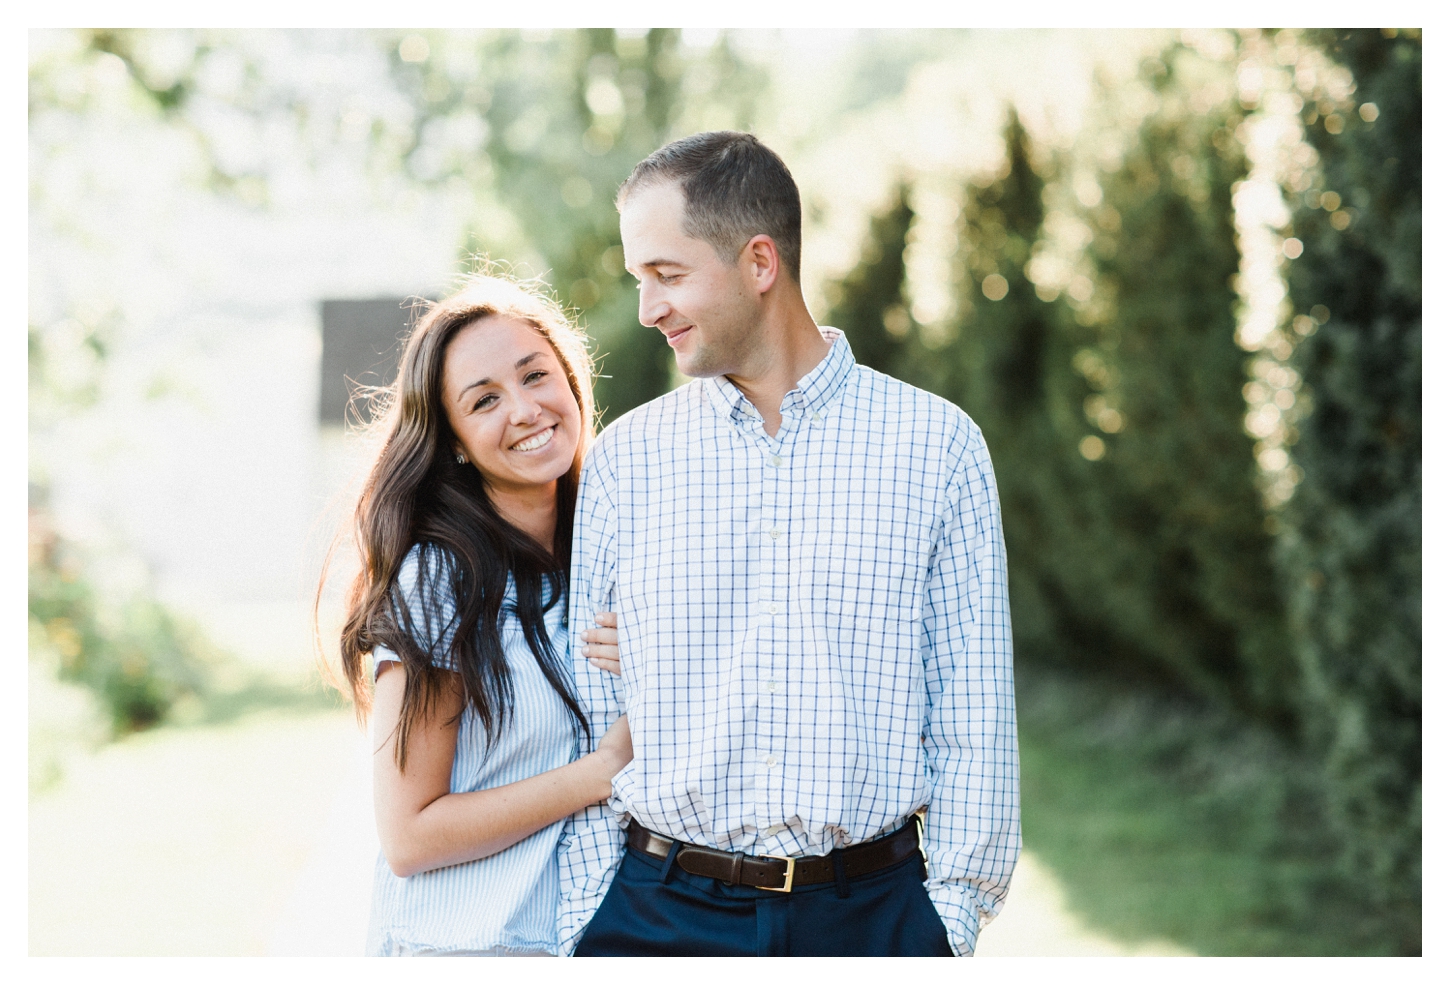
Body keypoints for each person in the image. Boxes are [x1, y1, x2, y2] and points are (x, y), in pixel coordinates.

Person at [558, 131, 1020, 957]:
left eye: (666, 275)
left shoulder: (936, 447)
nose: (647, 308)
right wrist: (589, 917)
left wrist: (945, 925)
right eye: (640, 280)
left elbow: (972, 712)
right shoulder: (626, 459)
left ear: (760, 263)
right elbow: (590, 712)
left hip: (872, 922)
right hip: (653, 917)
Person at [328, 274, 629, 956]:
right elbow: (409, 834)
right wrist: (597, 773)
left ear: (572, 383)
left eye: (535, 375)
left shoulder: (610, 554)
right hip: (461, 950)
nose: (524, 409)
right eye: (485, 400)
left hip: (583, 941)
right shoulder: (439, 581)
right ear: (456, 440)